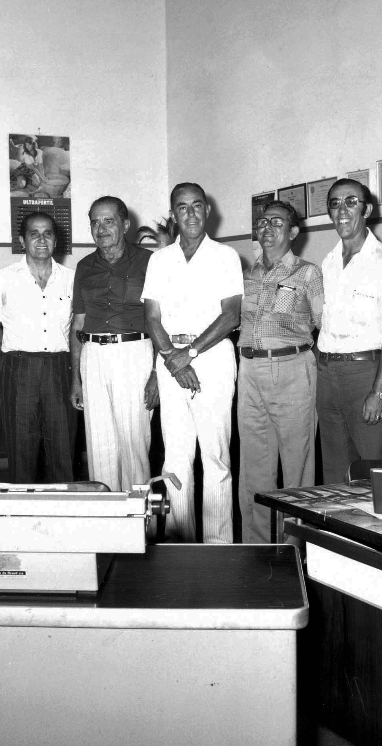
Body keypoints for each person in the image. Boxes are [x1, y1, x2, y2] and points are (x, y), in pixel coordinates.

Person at [142, 183, 243, 544]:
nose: (190, 214)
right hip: (171, 361)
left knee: (215, 458)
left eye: (197, 206)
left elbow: (230, 316)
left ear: (208, 210)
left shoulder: (226, 256)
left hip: (212, 360)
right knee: (175, 457)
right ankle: (178, 541)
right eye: (182, 208)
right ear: (174, 214)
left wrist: (192, 353)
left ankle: (219, 548)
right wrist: (173, 358)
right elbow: (152, 316)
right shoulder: (159, 259)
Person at [236, 200, 323, 543]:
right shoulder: (244, 275)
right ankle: (258, 547)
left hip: (292, 368)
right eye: (262, 222)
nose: (267, 229)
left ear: (294, 232)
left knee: (297, 465)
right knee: (254, 466)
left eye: (277, 223)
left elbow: (325, 325)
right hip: (249, 370)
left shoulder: (307, 272)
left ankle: (296, 547)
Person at [316, 179, 382, 484]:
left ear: (366, 209)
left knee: (377, 477)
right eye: (334, 203)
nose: (342, 210)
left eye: (350, 201)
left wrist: (380, 391)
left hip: (365, 379)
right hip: (328, 377)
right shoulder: (327, 264)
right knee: (336, 477)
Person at [70, 196, 158, 493]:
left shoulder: (150, 262)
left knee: (134, 442)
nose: (101, 228)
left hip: (134, 354)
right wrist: (76, 379)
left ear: (125, 224)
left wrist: (157, 374)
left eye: (109, 221)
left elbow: (162, 321)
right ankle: (107, 522)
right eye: (95, 222)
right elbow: (77, 324)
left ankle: (137, 520)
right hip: (93, 356)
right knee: (99, 443)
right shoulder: (84, 266)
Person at [0, 211, 76, 482]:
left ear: (55, 240)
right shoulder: (4, 277)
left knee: (63, 447)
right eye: (34, 234)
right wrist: (16, 353)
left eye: (47, 233)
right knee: (21, 447)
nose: (41, 239)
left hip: (60, 368)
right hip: (19, 367)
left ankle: (65, 513)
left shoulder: (71, 278)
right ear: (22, 241)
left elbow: (76, 326)